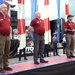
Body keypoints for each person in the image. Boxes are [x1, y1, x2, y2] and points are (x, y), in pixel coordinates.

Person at [0, 4, 12, 73]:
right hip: (1, 36)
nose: (6, 9)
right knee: (1, 52)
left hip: (8, 36)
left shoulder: (8, 17)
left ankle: (5, 65)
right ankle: (0, 66)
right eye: (4, 7)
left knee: (7, 51)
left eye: (6, 8)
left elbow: (9, 26)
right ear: (1, 8)